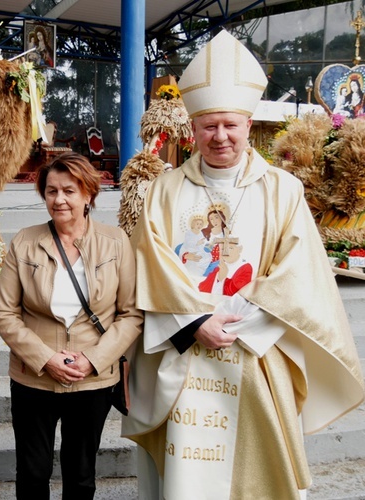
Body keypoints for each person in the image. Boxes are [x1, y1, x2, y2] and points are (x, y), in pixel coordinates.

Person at [122, 30, 365, 499]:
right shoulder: (164, 190)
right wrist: (195, 322)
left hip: (256, 349)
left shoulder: (282, 189)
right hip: (183, 349)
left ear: (249, 125)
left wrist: (236, 327)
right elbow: (147, 262)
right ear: (192, 128)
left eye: (230, 125)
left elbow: (299, 273)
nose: (220, 137)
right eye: (209, 125)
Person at [0, 152, 143, 499]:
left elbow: (131, 313)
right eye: (51, 191)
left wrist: (93, 359)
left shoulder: (115, 241)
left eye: (69, 191)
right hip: (34, 377)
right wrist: (45, 358)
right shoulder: (25, 241)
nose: (59, 200)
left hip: (94, 379)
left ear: (88, 194)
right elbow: (4, 312)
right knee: (32, 473)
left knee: (81, 474)